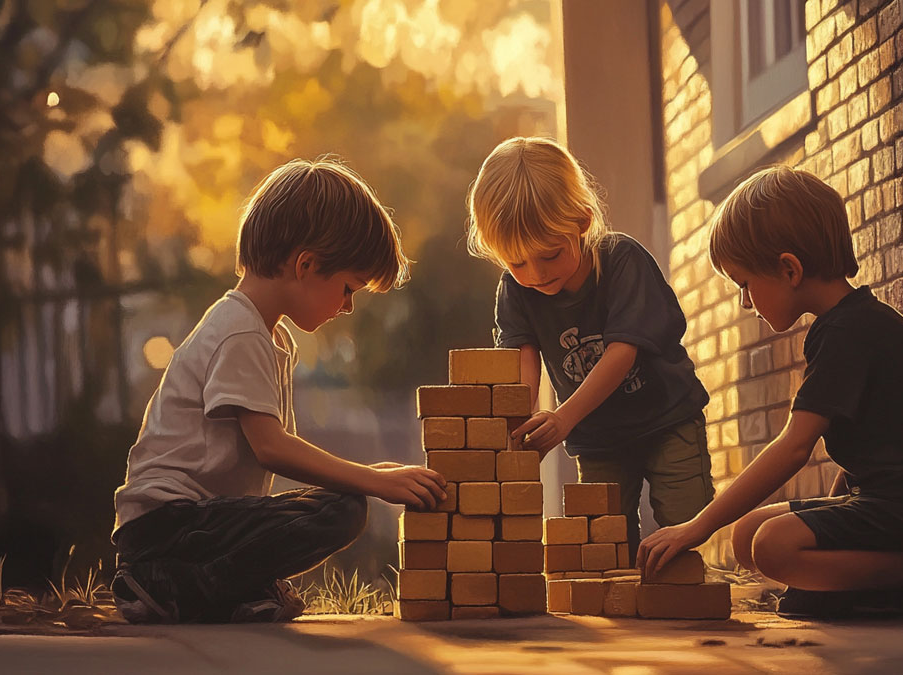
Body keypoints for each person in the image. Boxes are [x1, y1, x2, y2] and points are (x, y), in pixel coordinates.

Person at [637, 165, 903, 618]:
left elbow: (795, 446)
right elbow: (870, 453)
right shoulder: (844, 324)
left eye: (745, 284)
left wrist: (697, 527)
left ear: (789, 269)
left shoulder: (849, 330)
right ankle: (854, 585)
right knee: (747, 535)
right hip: (892, 504)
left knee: (772, 546)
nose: (745, 303)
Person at [110, 157, 446, 624]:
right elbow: (271, 449)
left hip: (200, 525)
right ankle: (172, 584)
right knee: (341, 512)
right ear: (306, 265)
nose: (348, 307)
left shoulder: (266, 335)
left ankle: (217, 589)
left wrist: (370, 476)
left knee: (336, 503)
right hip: (168, 529)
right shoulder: (241, 331)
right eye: (348, 289)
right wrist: (374, 480)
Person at [466, 136, 713, 555]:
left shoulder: (622, 261)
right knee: (604, 541)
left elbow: (622, 353)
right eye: (517, 262)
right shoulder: (515, 290)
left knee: (683, 525)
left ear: (581, 221)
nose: (536, 274)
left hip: (667, 419)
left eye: (549, 254)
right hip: (599, 438)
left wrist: (561, 420)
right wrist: (519, 429)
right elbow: (522, 365)